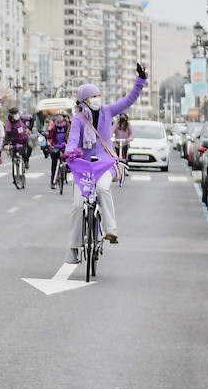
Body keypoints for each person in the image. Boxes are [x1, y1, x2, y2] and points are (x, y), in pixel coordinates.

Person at [63, 63, 147, 262]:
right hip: (83, 167)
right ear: (84, 100)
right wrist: (70, 152)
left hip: (104, 163)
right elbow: (73, 139)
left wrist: (140, 79)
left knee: (102, 189)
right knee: (77, 206)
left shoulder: (108, 111)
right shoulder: (78, 119)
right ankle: (74, 249)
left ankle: (111, 230)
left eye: (98, 95)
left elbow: (129, 99)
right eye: (93, 96)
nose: (97, 99)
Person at [45, 112, 71, 188]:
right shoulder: (54, 126)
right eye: (57, 117)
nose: (59, 118)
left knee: (67, 159)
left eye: (60, 117)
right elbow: (50, 137)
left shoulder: (67, 126)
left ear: (63, 118)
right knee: (54, 163)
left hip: (65, 146)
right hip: (56, 146)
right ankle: (53, 180)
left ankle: (66, 170)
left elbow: (70, 136)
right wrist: (50, 144)